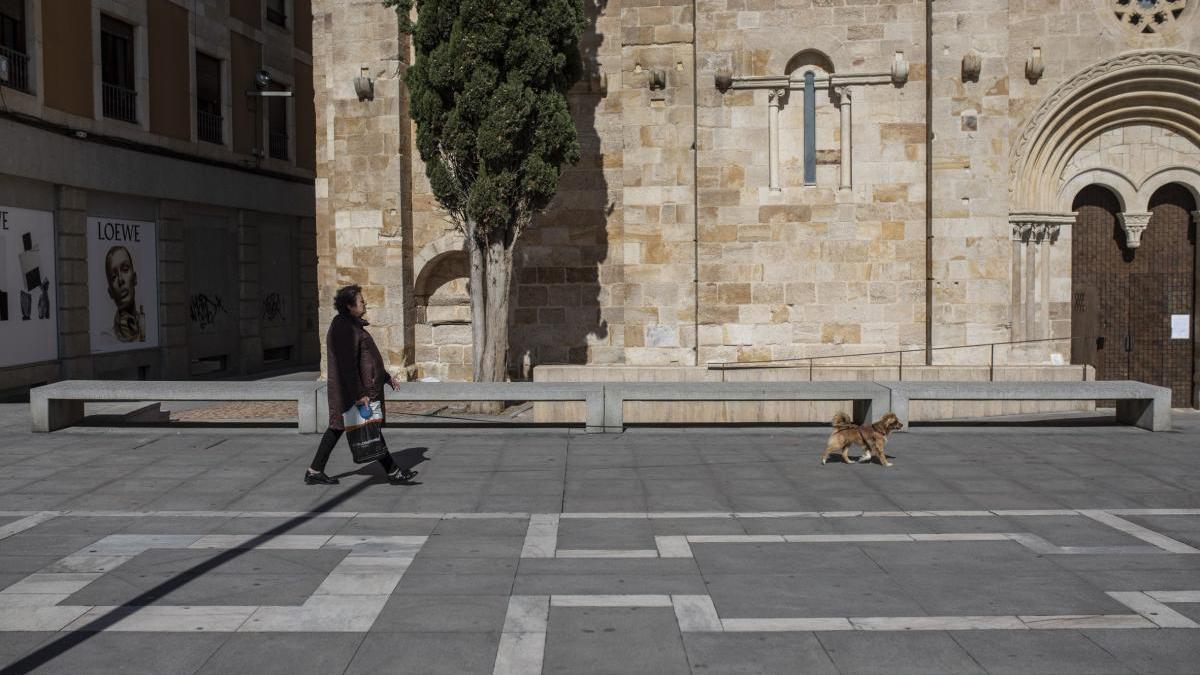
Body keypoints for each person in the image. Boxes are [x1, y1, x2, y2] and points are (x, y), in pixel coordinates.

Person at [305, 284, 417, 485]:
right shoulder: (343, 327)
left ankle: (315, 470)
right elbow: (348, 364)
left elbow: (367, 358)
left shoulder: (351, 324)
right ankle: (393, 472)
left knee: (341, 427)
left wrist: (385, 376)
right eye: (361, 300)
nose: (364, 303)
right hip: (348, 391)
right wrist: (359, 394)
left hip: (356, 389)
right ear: (349, 305)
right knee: (367, 427)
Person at [104, 245, 145, 342]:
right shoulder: (107, 338)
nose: (120, 280)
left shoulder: (149, 327)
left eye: (125, 269)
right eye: (113, 277)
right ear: (110, 292)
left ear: (134, 278)